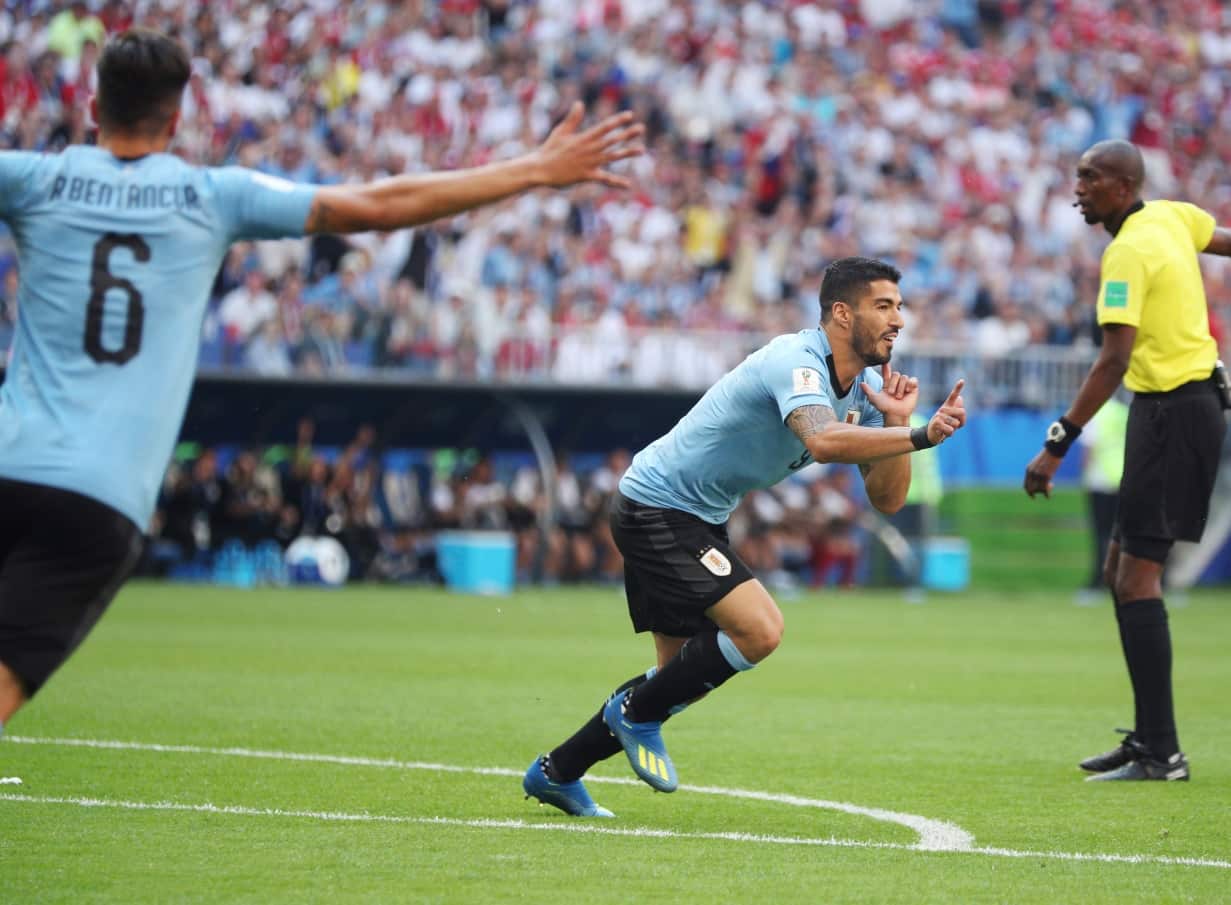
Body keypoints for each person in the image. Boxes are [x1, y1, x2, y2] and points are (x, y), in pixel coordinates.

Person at [0, 28, 644, 735]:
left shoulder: (32, 179)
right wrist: (532, 169)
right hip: (98, 494)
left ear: (91, 107)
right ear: (178, 120)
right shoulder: (211, 196)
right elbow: (377, 204)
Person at [523, 257, 968, 817]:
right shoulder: (796, 360)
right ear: (840, 313)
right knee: (760, 631)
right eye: (883, 306)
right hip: (655, 505)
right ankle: (629, 713)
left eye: (899, 307)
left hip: (698, 515)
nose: (898, 319)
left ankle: (558, 771)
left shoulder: (864, 389)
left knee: (670, 682)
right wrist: (921, 433)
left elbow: (887, 498)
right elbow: (824, 440)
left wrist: (899, 423)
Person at [1023, 140, 1231, 782]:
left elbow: (1113, 358)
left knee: (1137, 578)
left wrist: (1056, 443)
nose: (1078, 187)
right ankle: (1151, 739)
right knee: (1121, 570)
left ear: (1122, 186)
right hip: (1174, 409)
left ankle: (1162, 752)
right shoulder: (1172, 217)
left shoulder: (1129, 249)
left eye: (1090, 177)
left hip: (1173, 413)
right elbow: (1222, 237)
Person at [1076, 393, 1129, 600]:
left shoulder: (1095, 412)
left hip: (1101, 479)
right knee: (1123, 534)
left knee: (1101, 534)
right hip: (1123, 477)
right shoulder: (1122, 412)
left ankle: (1099, 582)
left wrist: (1083, 473)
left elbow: (1089, 448)